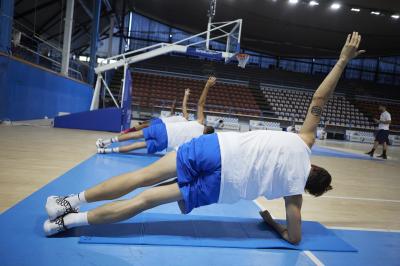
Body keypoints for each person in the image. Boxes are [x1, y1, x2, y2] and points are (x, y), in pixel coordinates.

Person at [43, 32, 364, 244]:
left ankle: (68, 202)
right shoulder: (294, 197)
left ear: (316, 165)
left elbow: (320, 99)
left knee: (139, 178)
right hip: (223, 187)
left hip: (216, 149)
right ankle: (69, 222)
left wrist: (343, 60)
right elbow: (294, 238)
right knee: (145, 201)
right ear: (310, 187)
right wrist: (271, 223)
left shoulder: (305, 142)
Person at [96, 76, 217, 154]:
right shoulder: (198, 141)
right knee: (139, 145)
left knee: (137, 134)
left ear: (206, 126)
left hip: (164, 129)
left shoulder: (198, 122)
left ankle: (105, 143)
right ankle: (106, 151)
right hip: (166, 142)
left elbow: (200, 104)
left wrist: (207, 85)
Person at [96, 89, 190, 148]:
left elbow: (184, 105)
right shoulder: (182, 119)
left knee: (141, 131)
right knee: (142, 126)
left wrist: (186, 95)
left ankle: (116, 138)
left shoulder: (185, 122)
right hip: (162, 122)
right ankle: (121, 136)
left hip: (162, 125)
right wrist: (174, 104)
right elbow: (175, 111)